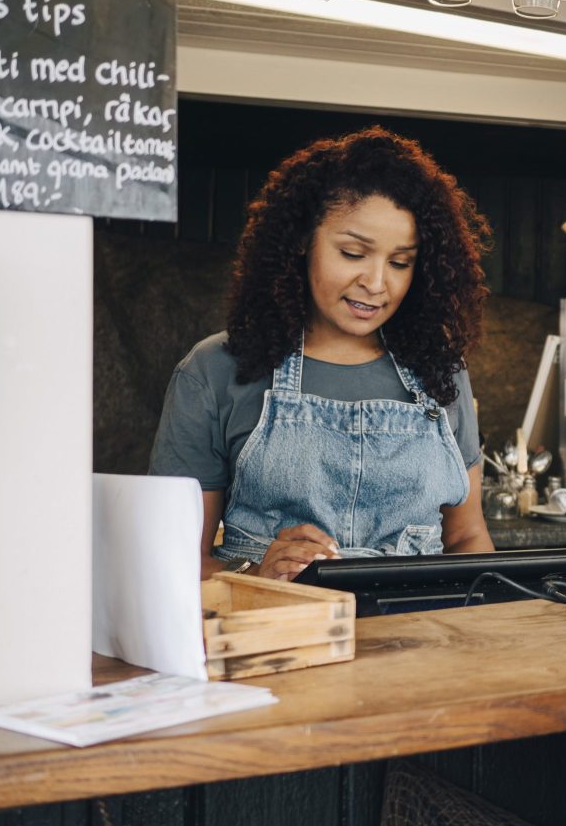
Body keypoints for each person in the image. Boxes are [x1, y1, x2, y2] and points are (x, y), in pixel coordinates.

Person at [150, 127, 495, 581]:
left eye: (400, 262)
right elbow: (173, 561)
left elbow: (467, 538)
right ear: (301, 241)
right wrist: (257, 574)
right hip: (280, 637)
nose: (377, 282)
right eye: (353, 253)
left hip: (423, 634)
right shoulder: (214, 371)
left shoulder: (440, 371)